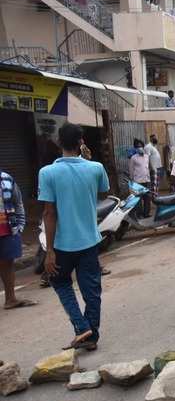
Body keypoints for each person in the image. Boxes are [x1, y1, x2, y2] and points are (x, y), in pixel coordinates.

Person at [38, 123, 109, 350]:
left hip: (62, 244)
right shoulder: (95, 167)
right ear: (81, 142)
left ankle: (82, 327)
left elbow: (49, 212)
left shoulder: (47, 172)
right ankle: (91, 336)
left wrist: (49, 251)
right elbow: (103, 192)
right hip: (89, 242)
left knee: (59, 282)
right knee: (92, 290)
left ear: (59, 142)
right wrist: (89, 160)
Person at [1, 170, 36, 310]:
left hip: (7, 228)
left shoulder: (6, 179)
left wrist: (20, 225)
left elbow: (18, 202)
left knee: (7, 263)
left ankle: (10, 299)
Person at [129, 138, 152, 217]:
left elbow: (148, 168)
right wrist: (132, 181)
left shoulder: (147, 157)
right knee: (138, 199)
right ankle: (139, 214)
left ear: (143, 146)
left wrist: (150, 178)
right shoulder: (133, 158)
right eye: (138, 146)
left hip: (146, 180)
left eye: (141, 146)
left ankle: (146, 214)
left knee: (147, 198)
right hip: (137, 181)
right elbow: (131, 170)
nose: (140, 148)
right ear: (135, 148)